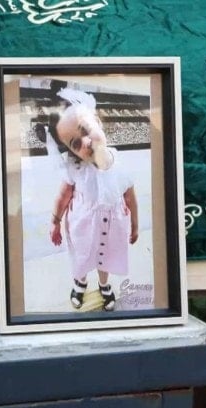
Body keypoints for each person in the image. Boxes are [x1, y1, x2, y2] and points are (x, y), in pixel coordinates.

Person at [46, 88, 138, 312]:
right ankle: (80, 282)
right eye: (75, 144)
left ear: (97, 121)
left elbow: (130, 197)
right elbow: (63, 196)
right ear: (72, 152)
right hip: (83, 224)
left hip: (114, 223)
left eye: (86, 130)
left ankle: (104, 285)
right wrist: (55, 221)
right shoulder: (75, 170)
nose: (86, 142)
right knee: (83, 255)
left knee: (105, 256)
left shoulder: (122, 164)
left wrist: (135, 224)